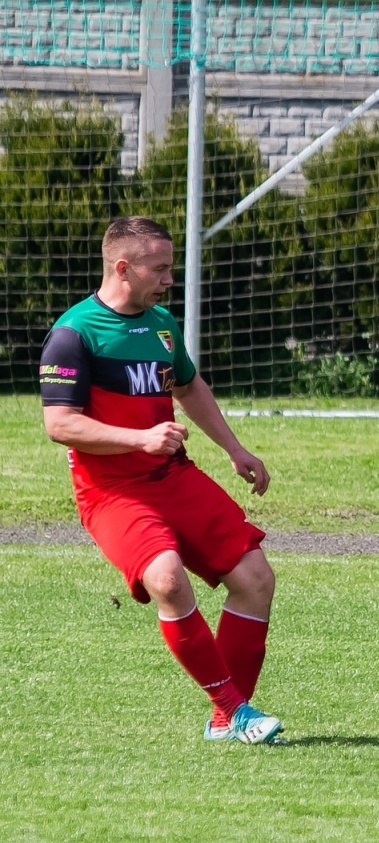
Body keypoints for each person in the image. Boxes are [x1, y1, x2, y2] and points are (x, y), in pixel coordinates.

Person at [39, 217, 281, 744]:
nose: (170, 279)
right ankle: (235, 711)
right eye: (161, 268)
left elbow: (188, 388)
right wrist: (139, 439)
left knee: (256, 579)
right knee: (167, 579)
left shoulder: (162, 325)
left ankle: (229, 722)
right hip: (112, 492)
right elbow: (60, 424)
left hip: (173, 476)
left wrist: (235, 448)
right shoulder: (73, 334)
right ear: (123, 268)